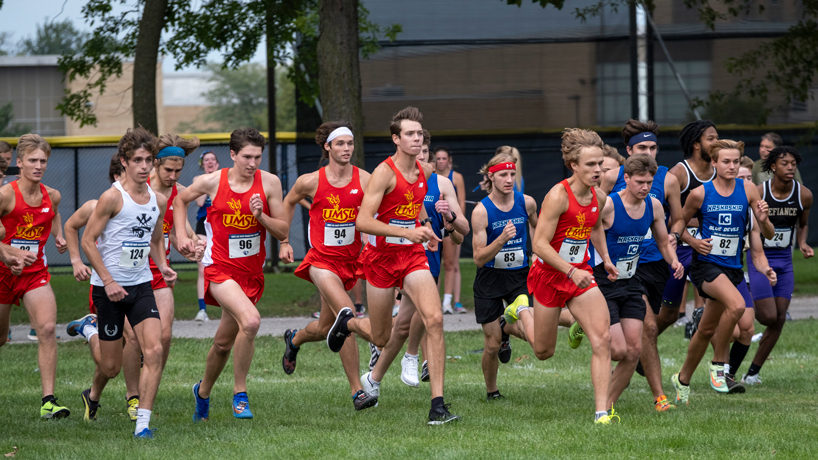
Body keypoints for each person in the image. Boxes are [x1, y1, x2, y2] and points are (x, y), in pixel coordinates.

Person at [356, 106, 466, 424]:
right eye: (410, 134)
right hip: (380, 258)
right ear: (396, 138)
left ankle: (438, 407)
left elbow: (412, 208)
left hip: (412, 256)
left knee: (434, 320)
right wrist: (407, 231)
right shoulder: (384, 172)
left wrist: (426, 229)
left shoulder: (426, 172)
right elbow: (363, 221)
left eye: (419, 134)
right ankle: (349, 323)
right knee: (380, 336)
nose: (416, 139)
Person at [174, 128, 288, 421]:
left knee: (224, 343)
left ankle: (202, 392)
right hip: (220, 269)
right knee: (250, 322)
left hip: (251, 273)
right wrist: (184, 237)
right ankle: (240, 393)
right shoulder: (213, 181)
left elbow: (283, 231)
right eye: (247, 157)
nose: (252, 163)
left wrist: (261, 216)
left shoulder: (270, 183)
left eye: (258, 157)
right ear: (233, 155)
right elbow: (179, 201)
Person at [79, 128, 176, 438]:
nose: (145, 166)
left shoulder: (157, 199)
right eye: (138, 160)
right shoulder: (111, 197)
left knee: (155, 350)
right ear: (124, 162)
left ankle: (142, 425)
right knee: (111, 368)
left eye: (149, 160)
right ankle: (89, 330)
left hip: (141, 284)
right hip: (108, 290)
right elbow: (88, 241)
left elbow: (156, 237)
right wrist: (107, 281)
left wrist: (163, 265)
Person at [278, 121, 378, 411]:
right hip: (320, 260)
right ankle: (358, 391)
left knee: (326, 327)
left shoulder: (365, 179)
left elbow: (380, 208)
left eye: (350, 144)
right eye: (340, 144)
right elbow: (289, 201)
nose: (346, 149)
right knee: (346, 315)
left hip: (351, 261)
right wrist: (284, 239)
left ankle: (294, 340)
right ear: (328, 147)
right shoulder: (311, 181)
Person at [668, 139, 776, 404]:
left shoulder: (749, 189)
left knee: (705, 331)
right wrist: (693, 242)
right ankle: (719, 366)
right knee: (737, 306)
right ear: (713, 162)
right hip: (705, 266)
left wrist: (763, 220)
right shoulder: (700, 193)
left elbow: (768, 233)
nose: (731, 166)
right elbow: (677, 223)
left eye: (736, 161)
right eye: (725, 161)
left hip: (732, 267)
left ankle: (681, 379)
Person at [527, 128, 615, 424]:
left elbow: (595, 226)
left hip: (582, 275)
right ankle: (522, 313)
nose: (598, 170)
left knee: (603, 340)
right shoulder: (557, 196)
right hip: (550, 275)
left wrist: (606, 259)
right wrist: (569, 269)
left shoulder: (599, 197)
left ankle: (601, 412)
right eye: (590, 165)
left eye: (600, 163)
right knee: (543, 351)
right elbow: (538, 244)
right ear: (573, 165)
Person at [599, 119, 683, 412]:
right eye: (642, 147)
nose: (649, 152)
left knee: (666, 319)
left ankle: (608, 402)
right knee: (646, 328)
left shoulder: (666, 180)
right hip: (614, 271)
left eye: (653, 147)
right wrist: (601, 258)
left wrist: (673, 241)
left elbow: (678, 218)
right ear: (629, 151)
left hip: (650, 265)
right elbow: (592, 219)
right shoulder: (611, 181)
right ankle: (659, 396)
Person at [376, 130, 467, 392]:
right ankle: (414, 357)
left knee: (405, 323)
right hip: (401, 255)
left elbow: (462, 233)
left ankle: (375, 378)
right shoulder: (396, 179)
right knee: (423, 316)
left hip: (431, 256)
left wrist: (448, 217)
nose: (423, 157)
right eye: (419, 152)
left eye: (426, 152)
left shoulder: (442, 184)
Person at [64, 155, 143, 421]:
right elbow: (71, 226)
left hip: (132, 282)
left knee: (113, 362)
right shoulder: (96, 205)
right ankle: (89, 328)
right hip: (104, 286)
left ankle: (95, 396)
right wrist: (76, 260)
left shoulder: (140, 204)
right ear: (116, 176)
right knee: (130, 341)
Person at [0, 134, 69, 419]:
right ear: (20, 163)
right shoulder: (5, 195)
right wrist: (8, 252)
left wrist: (59, 235)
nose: (38, 166)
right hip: (3, 273)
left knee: (48, 329)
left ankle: (48, 402)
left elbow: (52, 214)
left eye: (43, 161)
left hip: (35, 274)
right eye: (32, 161)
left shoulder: (52, 195)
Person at [471, 151, 539, 400]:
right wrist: (500, 239)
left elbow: (536, 225)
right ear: (492, 177)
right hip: (489, 278)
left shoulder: (527, 202)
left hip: (519, 276)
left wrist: (537, 252)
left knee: (534, 335)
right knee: (492, 344)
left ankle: (506, 326)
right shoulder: (481, 211)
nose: (509, 179)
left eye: (512, 174)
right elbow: (478, 258)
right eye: (503, 175)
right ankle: (492, 392)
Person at [744, 146, 812, 385]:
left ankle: (752, 372)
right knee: (768, 316)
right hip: (760, 256)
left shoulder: (804, 195)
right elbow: (750, 224)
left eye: (794, 163)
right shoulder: (760, 192)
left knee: (779, 318)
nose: (791, 167)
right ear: (773, 166)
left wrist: (802, 243)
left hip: (784, 259)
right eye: (785, 163)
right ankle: (747, 292)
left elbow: (803, 224)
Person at [433, 146, 467, 314]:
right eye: (438, 158)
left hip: (450, 225)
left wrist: (455, 223)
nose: (440, 162)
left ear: (449, 160)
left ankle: (449, 302)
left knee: (450, 263)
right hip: (434, 225)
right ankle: (434, 300)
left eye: (443, 158)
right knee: (434, 263)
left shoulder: (456, 177)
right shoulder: (429, 177)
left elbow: (461, 203)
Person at [194, 151, 219, 321]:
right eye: (206, 160)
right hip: (203, 225)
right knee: (202, 268)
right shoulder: (198, 180)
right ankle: (202, 310)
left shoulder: (224, 178)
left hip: (219, 225)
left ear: (217, 164)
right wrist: (206, 179)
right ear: (202, 164)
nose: (210, 162)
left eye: (213, 160)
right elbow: (200, 202)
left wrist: (215, 177)